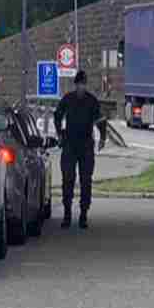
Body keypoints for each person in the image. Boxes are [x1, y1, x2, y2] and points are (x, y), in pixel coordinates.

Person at [53, 70, 107, 229]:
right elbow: (58, 115)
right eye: (79, 85)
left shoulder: (92, 101)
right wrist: (60, 134)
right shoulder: (68, 99)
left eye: (83, 85)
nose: (81, 88)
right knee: (67, 179)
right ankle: (67, 214)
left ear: (86, 85)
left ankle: (83, 214)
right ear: (75, 85)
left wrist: (102, 138)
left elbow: (100, 120)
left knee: (86, 180)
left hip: (86, 145)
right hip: (69, 144)